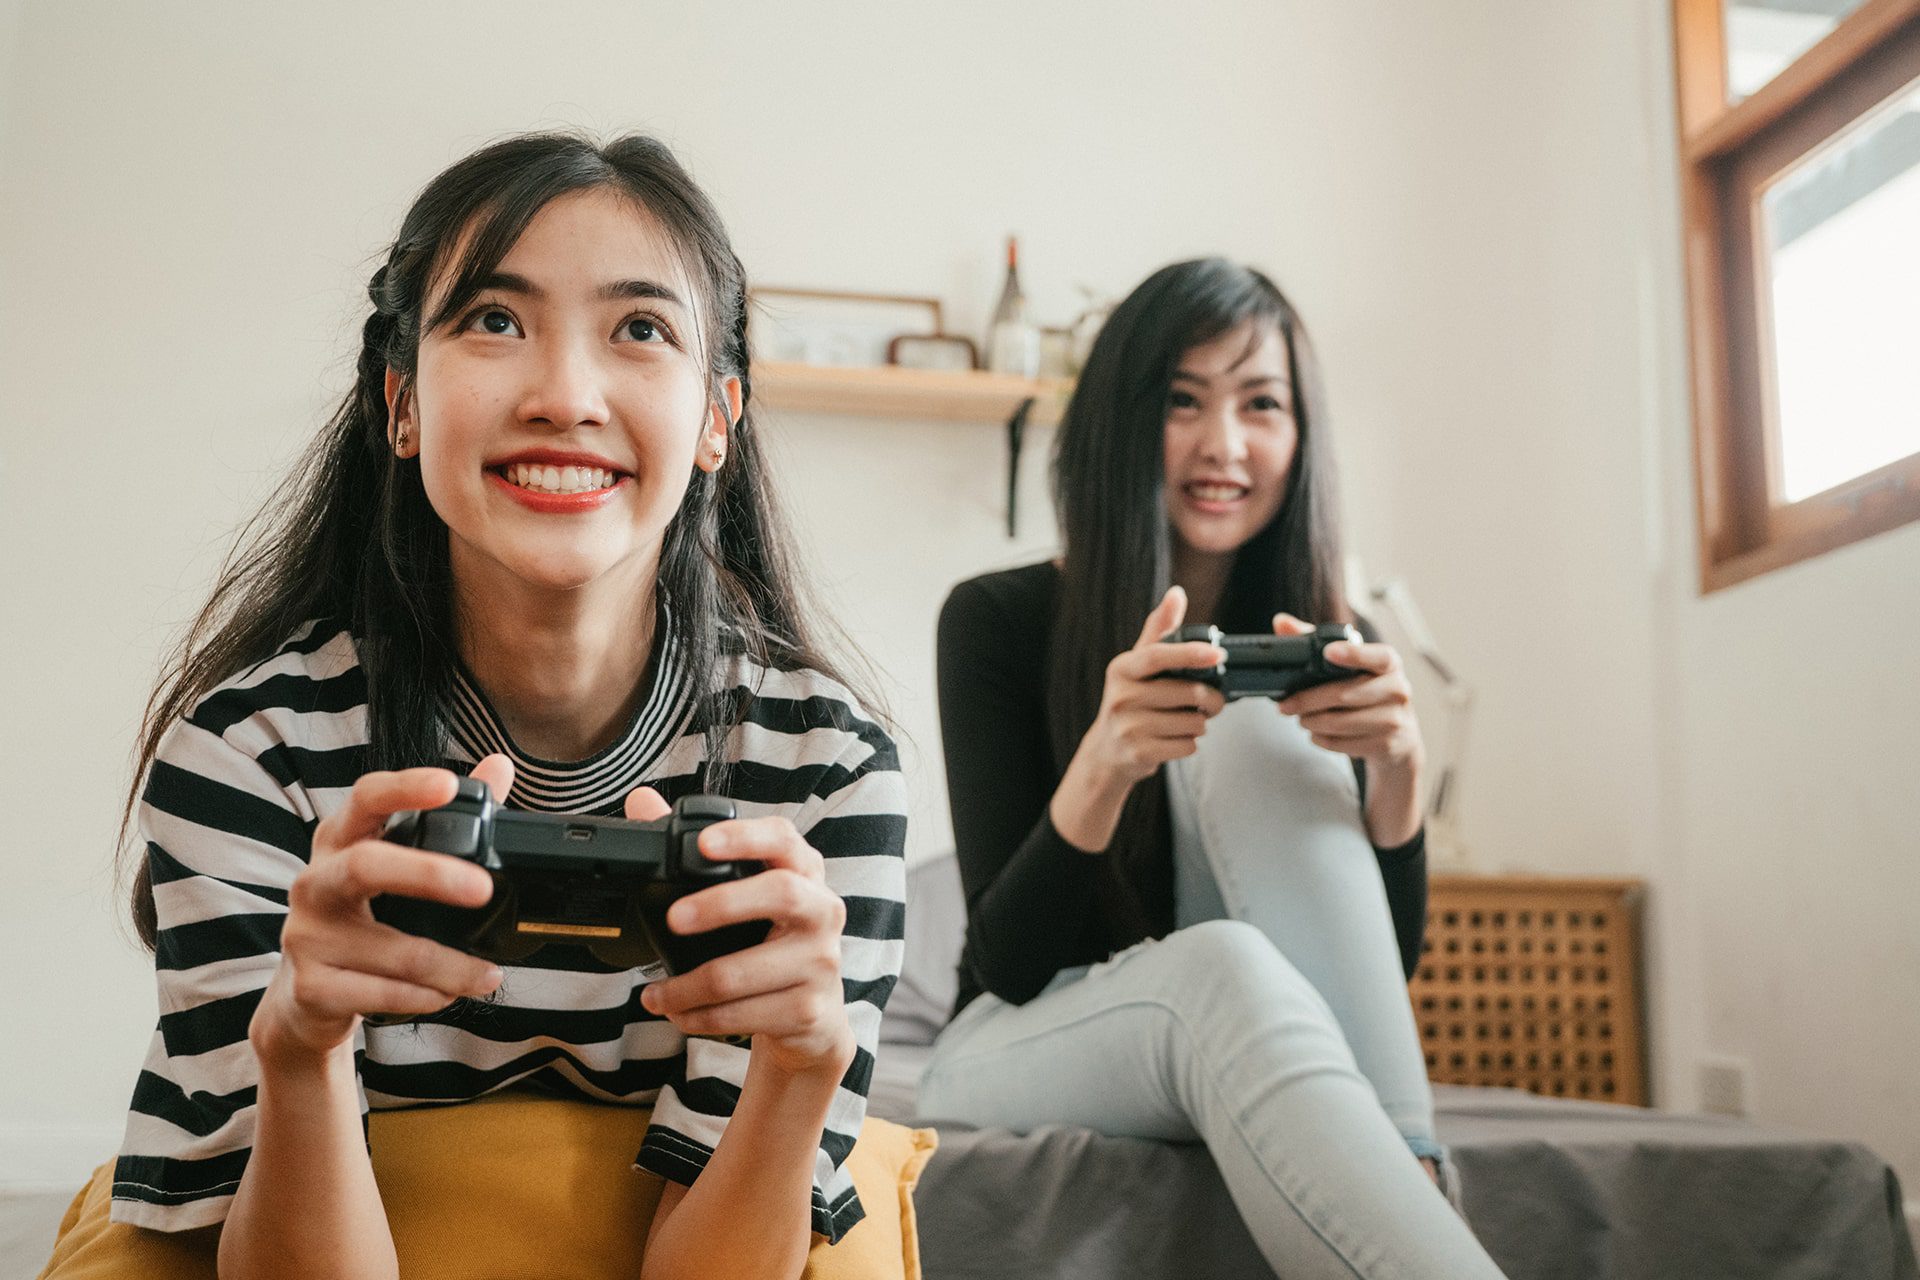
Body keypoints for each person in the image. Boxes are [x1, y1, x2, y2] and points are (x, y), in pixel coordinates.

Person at [107, 132, 906, 1280]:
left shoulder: (828, 768)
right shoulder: (253, 752)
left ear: (718, 420)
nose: (564, 397)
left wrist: (799, 1072)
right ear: (402, 403)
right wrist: (299, 1045)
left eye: (641, 328)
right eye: (493, 318)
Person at [921, 258, 1507, 1277]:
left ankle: (1411, 1174)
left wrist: (1398, 777)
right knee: (1224, 964)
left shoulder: (1340, 638)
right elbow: (1011, 965)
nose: (1224, 444)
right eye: (1183, 399)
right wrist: (1105, 764)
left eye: (1262, 404)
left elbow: (1371, 983)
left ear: (1300, 435)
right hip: (1012, 1038)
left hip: (1244, 1028)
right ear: (1121, 418)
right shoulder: (998, 620)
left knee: (1257, 751)